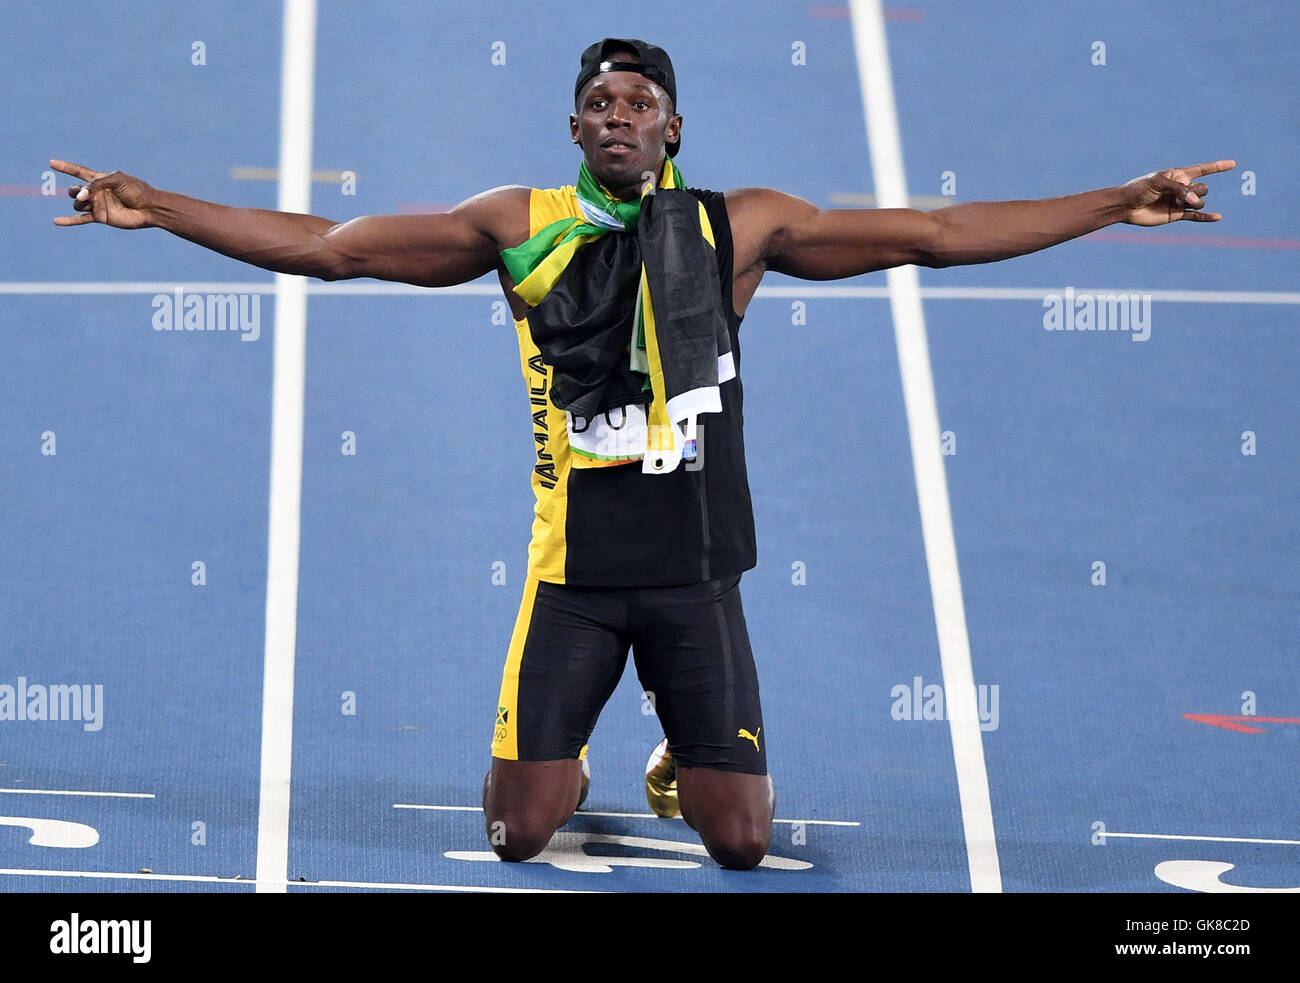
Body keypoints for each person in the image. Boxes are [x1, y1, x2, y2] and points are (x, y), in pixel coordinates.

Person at [52, 37, 1233, 871]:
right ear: (574, 126)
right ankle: (562, 750)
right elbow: (330, 248)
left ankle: (678, 751)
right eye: (601, 106)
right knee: (518, 832)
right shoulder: (516, 227)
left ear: (673, 127)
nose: (620, 118)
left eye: (640, 104)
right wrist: (159, 206)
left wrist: (1113, 199)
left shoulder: (739, 226)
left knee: (739, 843)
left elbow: (931, 234)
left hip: (695, 584)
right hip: (571, 583)